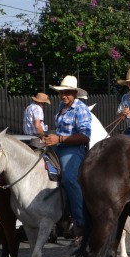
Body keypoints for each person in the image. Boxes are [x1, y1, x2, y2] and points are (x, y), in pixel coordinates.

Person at [40, 76, 91, 237]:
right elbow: (61, 131)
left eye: (67, 93)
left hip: (74, 149)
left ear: (75, 93)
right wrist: (50, 138)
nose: (64, 96)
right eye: (62, 93)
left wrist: (59, 139)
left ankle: (80, 220)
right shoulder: (61, 106)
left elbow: (85, 136)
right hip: (58, 146)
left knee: (69, 178)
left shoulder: (80, 109)